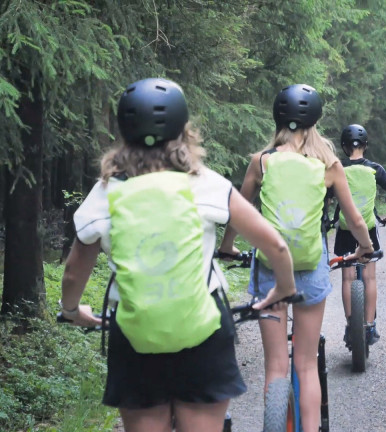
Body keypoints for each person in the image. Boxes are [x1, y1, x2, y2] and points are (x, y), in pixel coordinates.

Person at [59, 78, 297, 432]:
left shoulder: (105, 193)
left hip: (134, 334)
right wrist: (283, 288)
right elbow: (275, 245)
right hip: (204, 331)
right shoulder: (207, 184)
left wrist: (71, 310)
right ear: (183, 131)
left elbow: (74, 272)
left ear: (124, 132)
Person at [217, 84, 373, 432]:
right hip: (310, 264)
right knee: (305, 363)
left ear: (279, 119)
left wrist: (228, 246)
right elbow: (355, 220)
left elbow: (237, 213)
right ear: (314, 122)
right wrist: (363, 248)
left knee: (276, 366)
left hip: (271, 268)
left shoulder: (262, 162)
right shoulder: (329, 165)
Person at [333, 124, 386, 347]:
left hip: (345, 228)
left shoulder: (337, 170)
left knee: (347, 278)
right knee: (370, 277)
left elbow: (323, 197)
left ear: (344, 146)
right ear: (365, 146)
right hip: (368, 228)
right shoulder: (375, 169)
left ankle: (350, 325)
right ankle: (369, 326)